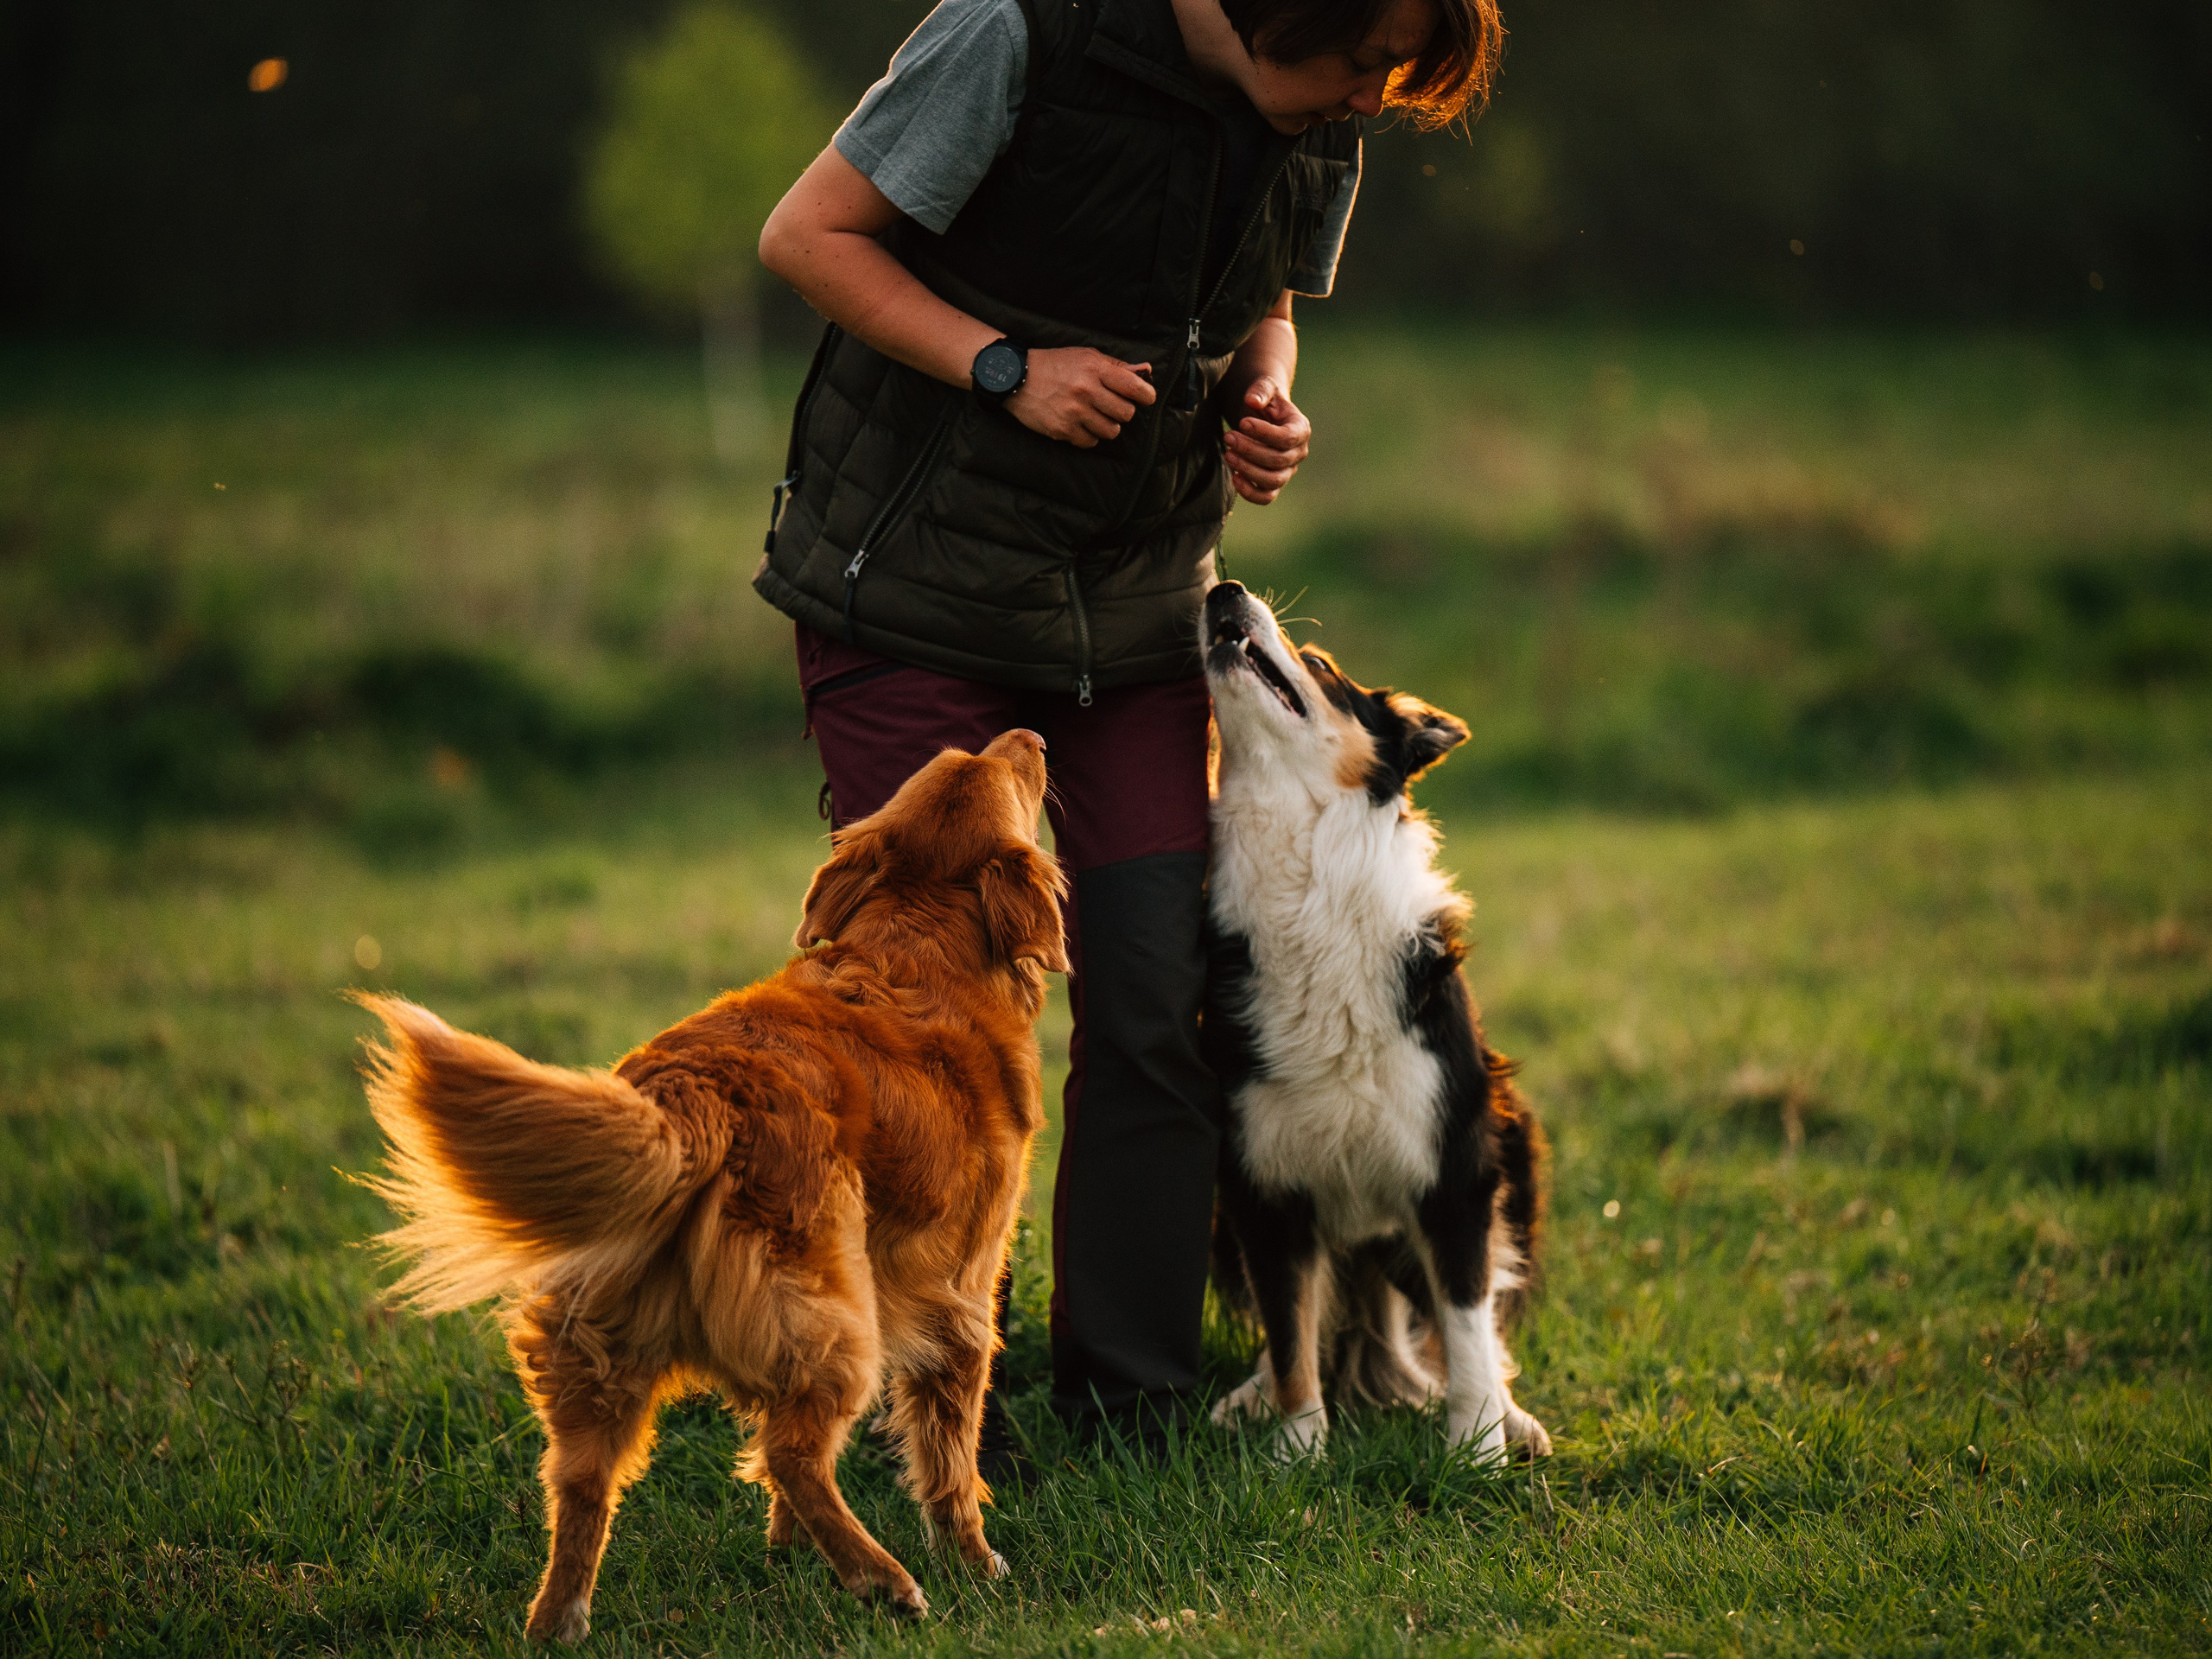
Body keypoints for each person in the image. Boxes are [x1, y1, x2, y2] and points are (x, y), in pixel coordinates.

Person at [754, 0, 1502, 1452]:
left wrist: (1267, 392)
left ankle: (1130, 1407)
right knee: (921, 1009)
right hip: (910, 595)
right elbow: (808, 238)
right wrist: (1004, 367)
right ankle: (882, 1383)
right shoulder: (1020, 34)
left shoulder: (1326, 113)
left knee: (1155, 998)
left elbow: (1259, 295)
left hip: (1145, 614)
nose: (1373, 97)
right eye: (1363, 61)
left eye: (1394, 77)